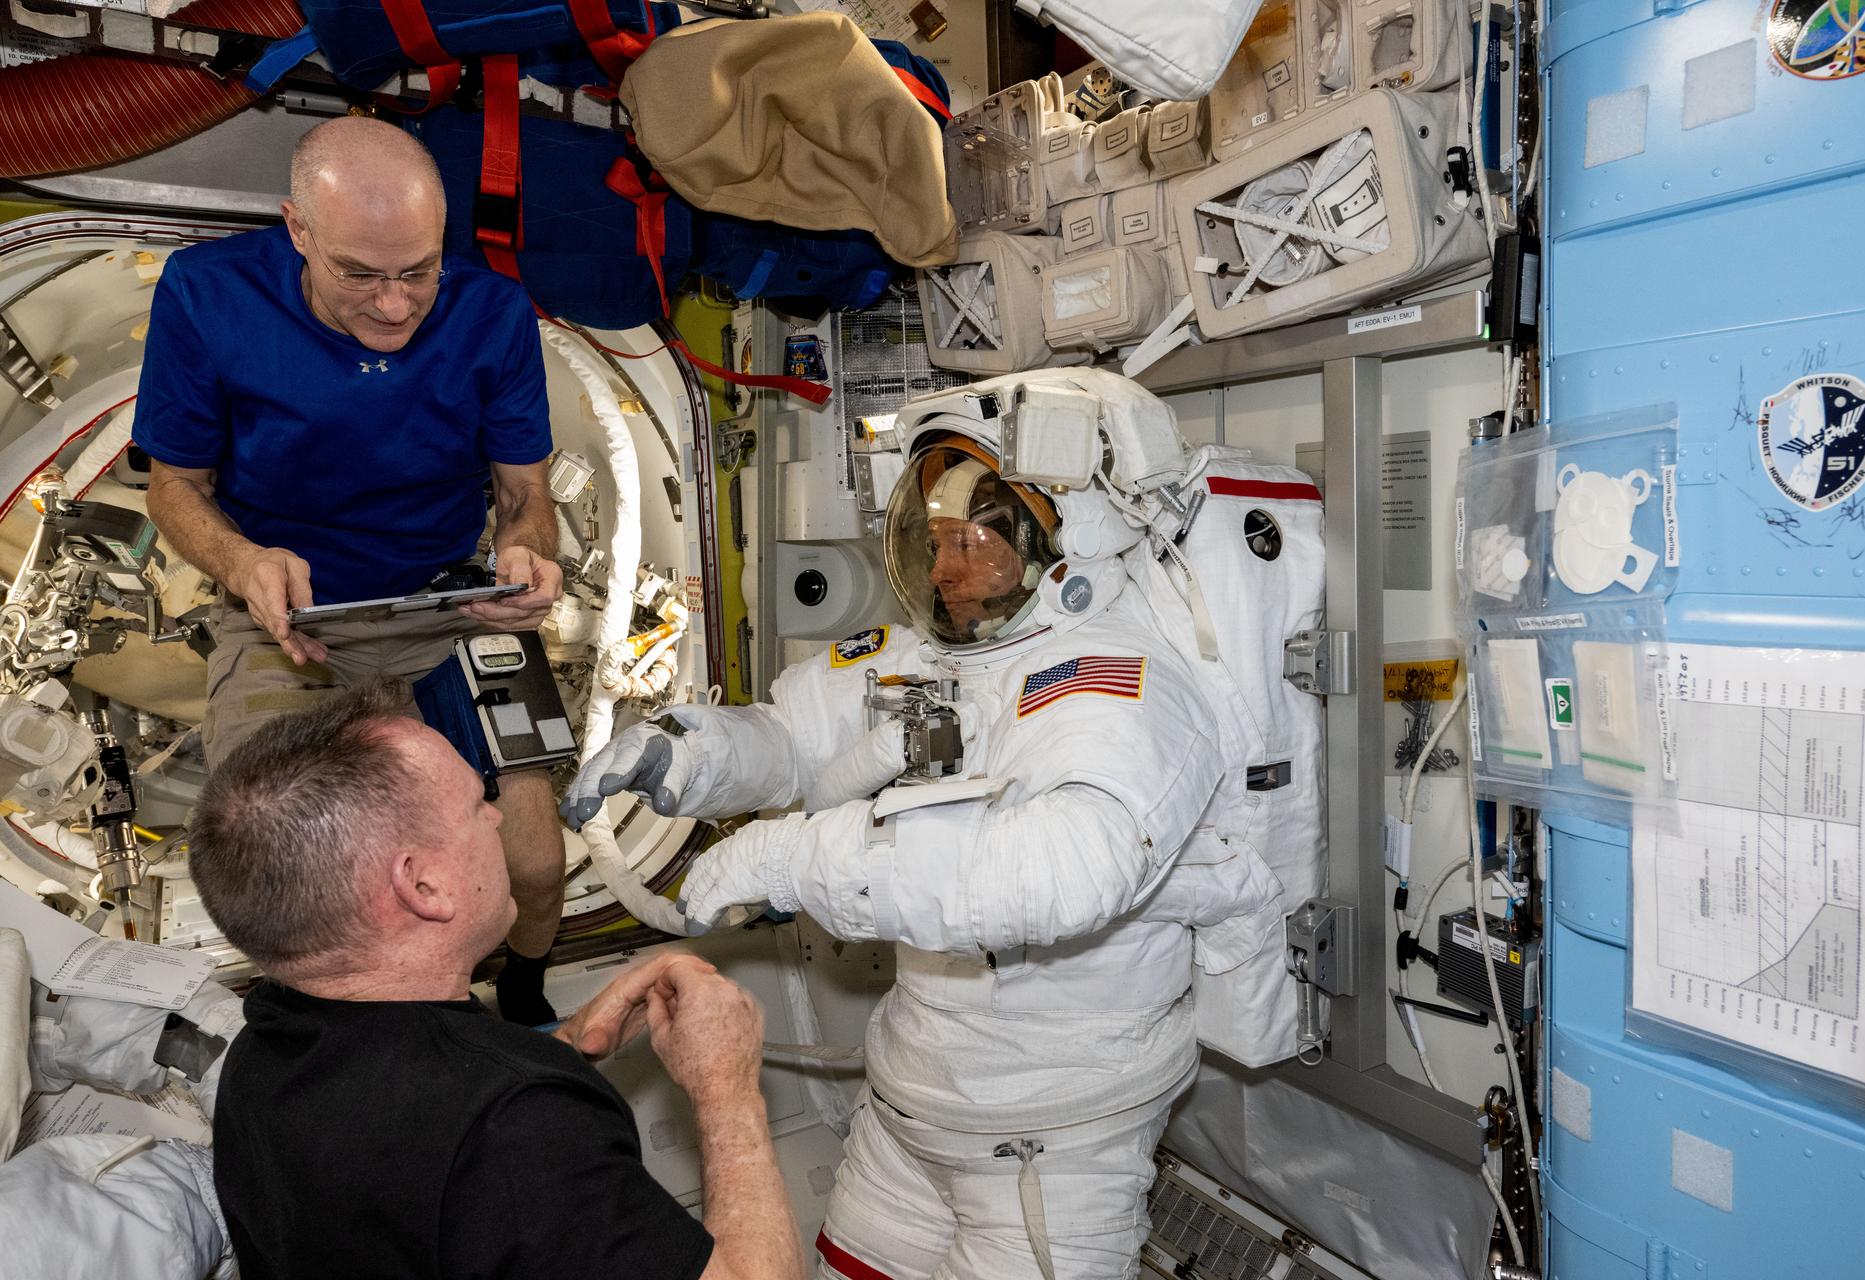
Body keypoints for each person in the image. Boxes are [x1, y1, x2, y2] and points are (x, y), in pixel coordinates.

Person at [565, 370, 1310, 1280]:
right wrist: (683, 757)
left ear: (1067, 540)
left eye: (979, 543)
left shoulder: (1119, 681)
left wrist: (796, 860)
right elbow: (795, 739)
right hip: (911, 1109)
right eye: (936, 541)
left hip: (1047, 1139)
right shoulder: (928, 655)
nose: (948, 572)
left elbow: (1065, 868)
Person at [135, 115, 567, 1023]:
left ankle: (524, 993)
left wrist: (528, 555)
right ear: (298, 229)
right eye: (359, 275)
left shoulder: (492, 314)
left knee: (531, 861)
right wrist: (244, 561)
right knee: (283, 867)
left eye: (417, 271)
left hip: (450, 604)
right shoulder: (206, 296)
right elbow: (173, 486)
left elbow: (525, 490)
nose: (396, 306)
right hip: (291, 618)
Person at [186, 682, 803, 1280]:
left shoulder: (262, 1054)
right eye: (477, 803)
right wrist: (726, 1085)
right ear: (423, 887)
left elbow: (418, 1147)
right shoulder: (514, 1134)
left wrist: (567, 1046)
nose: (499, 817)